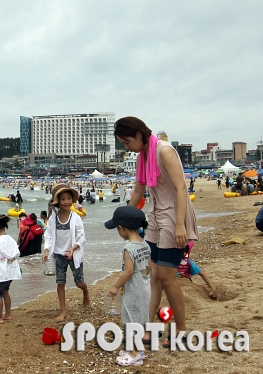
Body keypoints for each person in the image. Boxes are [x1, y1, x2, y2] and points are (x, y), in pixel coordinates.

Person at [114, 116, 198, 347]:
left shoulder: (164, 151)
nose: (126, 147)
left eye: (126, 142)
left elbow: (181, 187)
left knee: (166, 277)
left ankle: (180, 329)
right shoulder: (144, 155)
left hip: (174, 217)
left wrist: (180, 224)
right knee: (151, 276)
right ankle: (148, 330)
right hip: (156, 216)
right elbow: (139, 189)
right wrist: (124, 217)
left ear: (139, 135)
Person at [105, 206, 151, 367]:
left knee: (132, 322)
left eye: (117, 229)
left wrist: (115, 286)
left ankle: (135, 354)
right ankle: (137, 350)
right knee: (139, 320)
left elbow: (128, 272)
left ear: (121, 228)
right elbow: (148, 267)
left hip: (134, 291)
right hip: (144, 288)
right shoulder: (145, 244)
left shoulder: (128, 248)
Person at [42, 184, 90, 322]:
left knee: (79, 282)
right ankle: (63, 311)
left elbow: (82, 237)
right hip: (58, 255)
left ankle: (85, 292)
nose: (67, 202)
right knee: (60, 283)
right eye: (63, 199)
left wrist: (73, 248)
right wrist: (46, 250)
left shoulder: (75, 217)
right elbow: (49, 236)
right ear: (58, 201)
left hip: (74, 254)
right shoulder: (53, 218)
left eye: (69, 198)